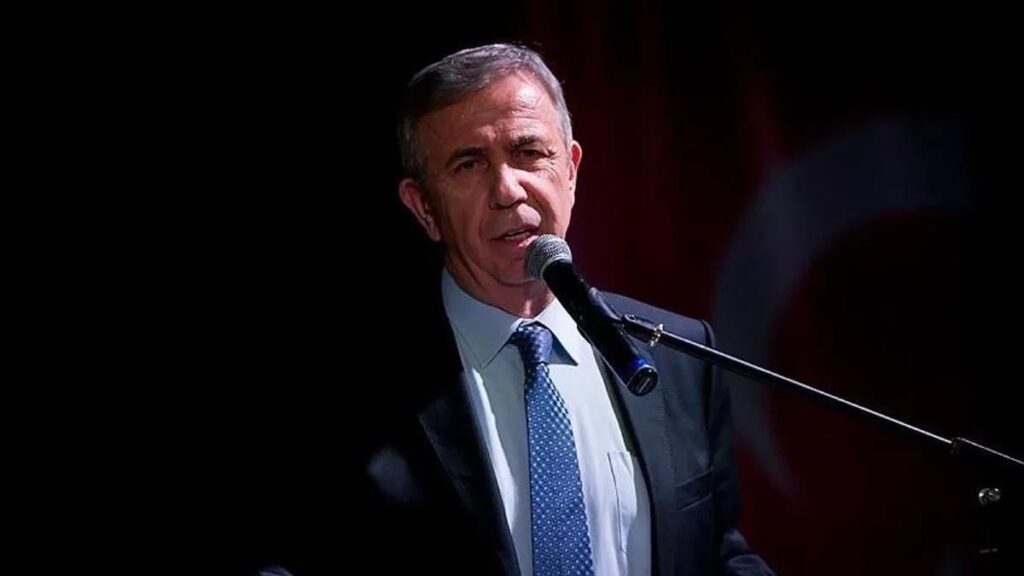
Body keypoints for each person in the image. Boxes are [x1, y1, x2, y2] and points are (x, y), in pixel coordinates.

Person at [358, 42, 775, 576]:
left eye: (529, 152)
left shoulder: (678, 356)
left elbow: (715, 553)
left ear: (571, 169)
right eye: (469, 164)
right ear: (424, 207)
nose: (508, 190)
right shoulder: (366, 379)